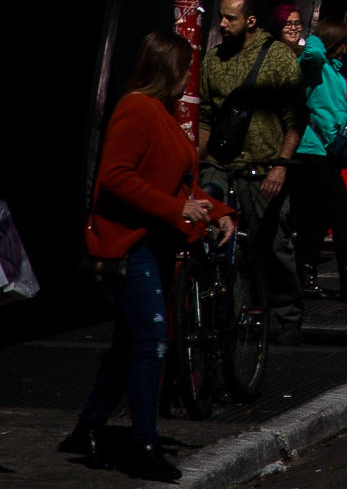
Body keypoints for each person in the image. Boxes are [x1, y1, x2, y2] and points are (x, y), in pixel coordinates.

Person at [63, 31, 233, 482]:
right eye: (184, 69)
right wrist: (177, 207)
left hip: (153, 243)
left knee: (128, 345)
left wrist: (216, 211)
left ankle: (90, 428)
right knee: (151, 341)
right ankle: (143, 444)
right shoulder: (137, 110)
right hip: (132, 245)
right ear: (170, 70)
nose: (187, 79)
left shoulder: (158, 113)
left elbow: (177, 183)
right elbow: (115, 177)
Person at [196, 0, 305, 338]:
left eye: (231, 18)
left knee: (273, 245)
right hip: (220, 163)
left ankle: (288, 315)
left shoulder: (277, 59)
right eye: (221, 17)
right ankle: (218, 311)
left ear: (251, 21)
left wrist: (281, 165)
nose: (223, 24)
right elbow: (205, 119)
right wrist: (193, 165)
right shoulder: (212, 60)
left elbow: (295, 118)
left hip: (263, 165)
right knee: (210, 237)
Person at [285, 13, 347, 302]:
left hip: (328, 151)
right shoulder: (313, 63)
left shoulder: (333, 69)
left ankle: (310, 275)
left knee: (317, 217)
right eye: (343, 41)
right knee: (339, 212)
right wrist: (317, 35)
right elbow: (314, 53)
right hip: (312, 150)